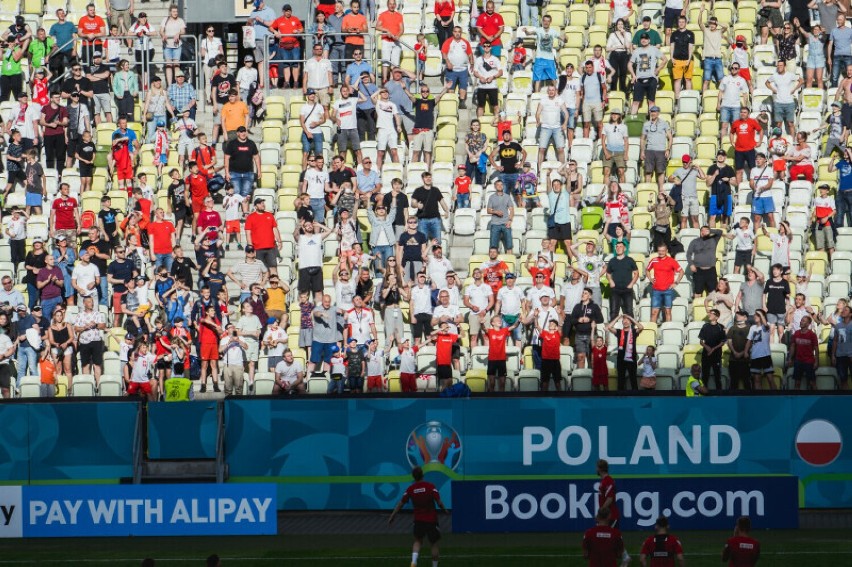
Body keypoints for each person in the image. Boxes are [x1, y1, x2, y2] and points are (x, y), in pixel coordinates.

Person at [389, 466, 448, 567]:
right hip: (431, 520)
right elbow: (439, 502)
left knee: (417, 541)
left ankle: (414, 562)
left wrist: (392, 516)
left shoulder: (411, 489)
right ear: (423, 475)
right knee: (433, 544)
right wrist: (445, 510)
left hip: (418, 520)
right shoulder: (430, 486)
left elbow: (401, 503)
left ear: (413, 477)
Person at [640, 106, 672, 191]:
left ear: (658, 113)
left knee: (661, 172)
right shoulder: (646, 124)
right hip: (649, 150)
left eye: (655, 112)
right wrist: (642, 151)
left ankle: (661, 190)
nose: (653, 113)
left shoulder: (664, 123)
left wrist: (668, 149)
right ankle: (648, 190)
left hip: (661, 151)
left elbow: (670, 137)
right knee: (648, 171)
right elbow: (642, 138)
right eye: (652, 112)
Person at [747, 310, 775, 389]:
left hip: (765, 355)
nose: (755, 316)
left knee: (770, 378)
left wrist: (761, 314)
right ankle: (758, 398)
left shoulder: (767, 326)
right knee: (756, 379)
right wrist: (746, 351)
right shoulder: (752, 328)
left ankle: (776, 398)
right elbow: (749, 340)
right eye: (755, 315)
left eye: (758, 315)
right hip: (755, 356)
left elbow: (766, 325)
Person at [789, 316, 819, 390]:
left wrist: (816, 361)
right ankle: (796, 400)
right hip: (798, 361)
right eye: (801, 320)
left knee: (812, 383)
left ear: (808, 323)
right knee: (797, 382)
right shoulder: (796, 333)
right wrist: (790, 358)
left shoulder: (812, 335)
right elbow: (792, 346)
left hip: (809, 361)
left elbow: (816, 348)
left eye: (804, 321)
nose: (801, 322)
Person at [699, 309, 727, 390]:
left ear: (717, 317)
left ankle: (719, 395)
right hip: (706, 355)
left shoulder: (720, 327)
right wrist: (706, 347)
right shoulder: (705, 326)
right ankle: (704, 395)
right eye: (709, 313)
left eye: (712, 313)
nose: (710, 315)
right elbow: (701, 341)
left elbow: (723, 342)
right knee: (705, 376)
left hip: (716, 355)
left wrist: (713, 349)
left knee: (717, 376)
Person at [668, 16, 694, 97]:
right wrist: (672, 57)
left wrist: (689, 59)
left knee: (688, 79)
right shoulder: (674, 34)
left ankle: (689, 98)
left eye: (683, 22)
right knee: (677, 80)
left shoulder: (690, 34)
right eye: (680, 22)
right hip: (677, 60)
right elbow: (672, 46)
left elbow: (690, 47)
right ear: (678, 23)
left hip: (688, 60)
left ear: (686, 23)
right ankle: (677, 99)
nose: (681, 23)